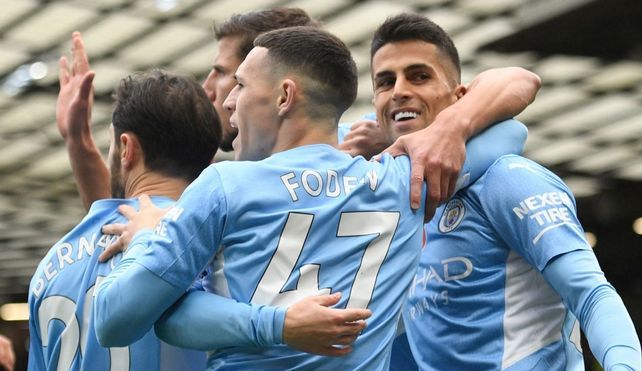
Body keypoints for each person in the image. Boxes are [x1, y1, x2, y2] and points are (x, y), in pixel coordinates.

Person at [92, 25, 531, 370]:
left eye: (240, 86)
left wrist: (149, 236)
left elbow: (113, 320)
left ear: (285, 96)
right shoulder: (402, 182)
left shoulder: (224, 185)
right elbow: (512, 125)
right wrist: (444, 132)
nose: (228, 103)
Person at [29, 32, 370, 371]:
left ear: (127, 149)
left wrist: (78, 142)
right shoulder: (233, 247)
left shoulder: (51, 266)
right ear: (209, 156)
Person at [62, 7, 538, 222]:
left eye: (225, 74)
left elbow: (516, 95)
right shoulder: (225, 183)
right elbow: (116, 221)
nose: (211, 90)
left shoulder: (349, 155)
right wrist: (80, 143)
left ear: (275, 86)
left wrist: (449, 129)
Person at [359, 13, 641, 370]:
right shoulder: (393, 207)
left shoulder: (509, 180)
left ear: (459, 96)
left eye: (419, 75)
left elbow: (592, 296)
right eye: (385, 82)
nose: (399, 89)